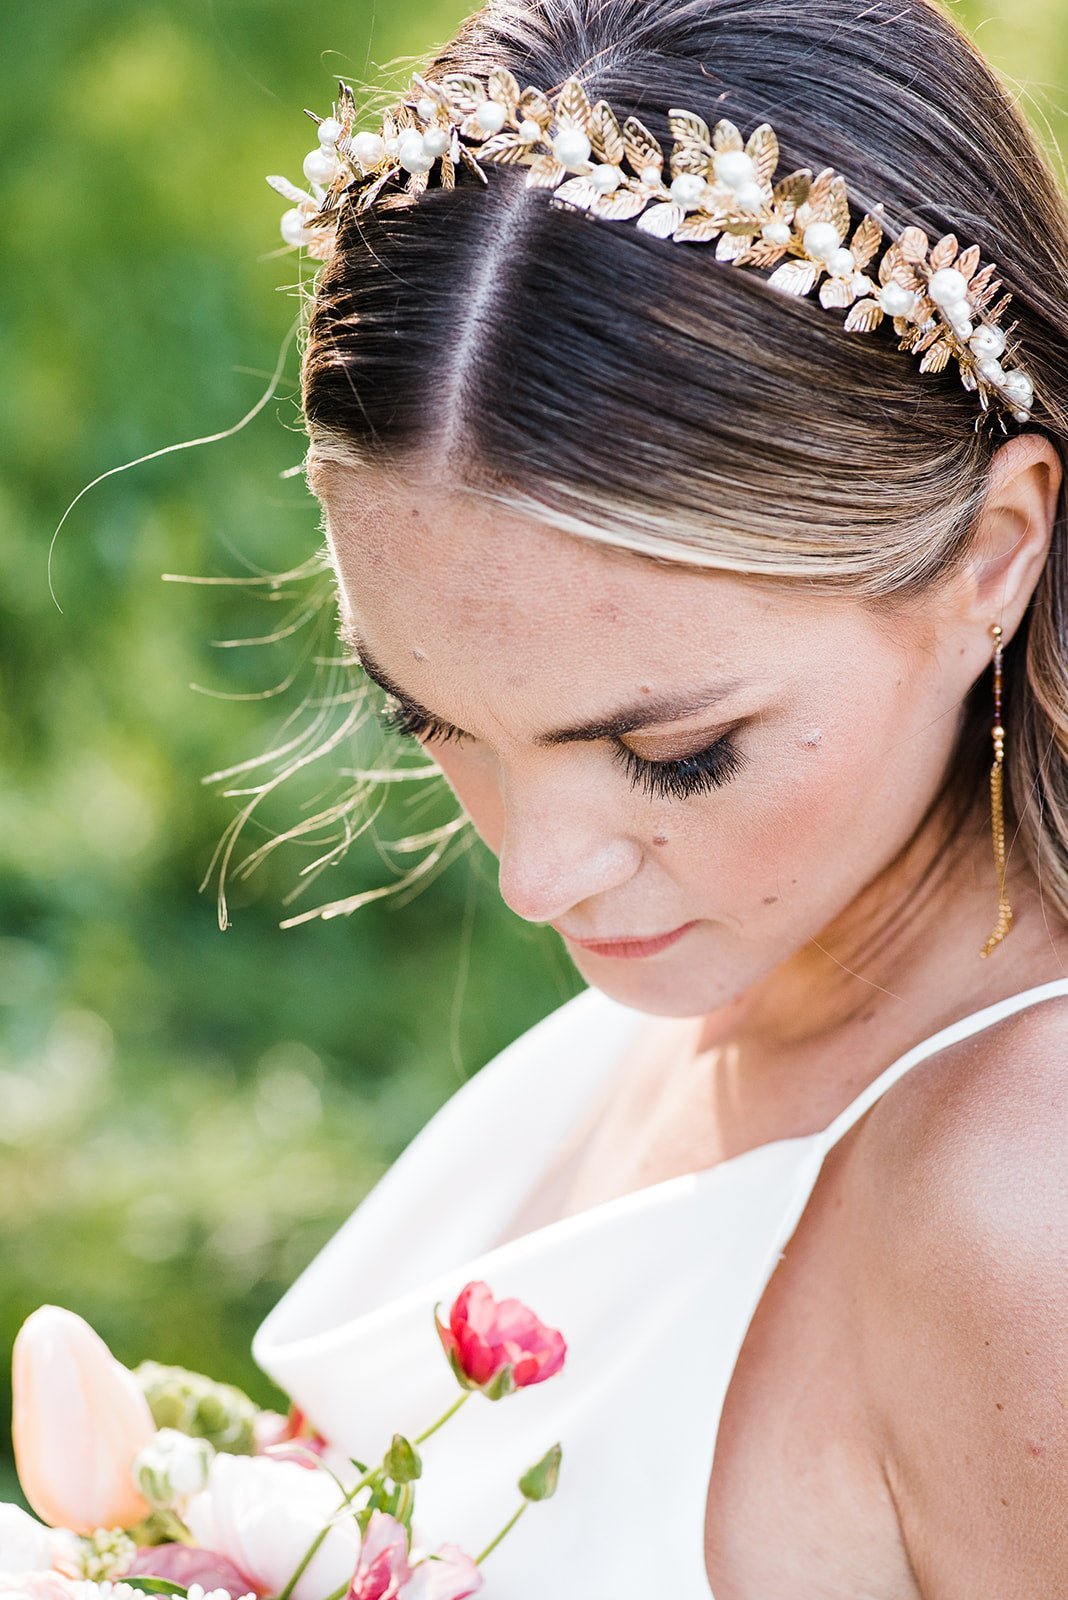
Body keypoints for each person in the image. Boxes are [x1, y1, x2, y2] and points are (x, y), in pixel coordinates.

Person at [253, 0, 1068, 1592]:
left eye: (674, 753)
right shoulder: (746, 960)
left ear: (996, 552)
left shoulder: (1023, 1218)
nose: (539, 876)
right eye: (430, 716)